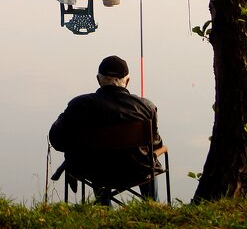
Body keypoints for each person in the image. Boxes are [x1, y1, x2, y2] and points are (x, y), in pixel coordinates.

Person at [49, 55, 163, 201]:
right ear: (127, 81)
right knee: (149, 160)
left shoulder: (78, 105)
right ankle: (152, 205)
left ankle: (103, 210)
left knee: (98, 159)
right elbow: (156, 144)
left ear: (98, 79)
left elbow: (57, 140)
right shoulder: (146, 106)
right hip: (137, 172)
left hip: (93, 171)